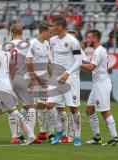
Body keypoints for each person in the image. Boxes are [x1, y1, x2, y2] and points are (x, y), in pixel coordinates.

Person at [81, 29, 118, 146]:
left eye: (88, 37)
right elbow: (88, 65)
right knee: (89, 110)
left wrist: (77, 64)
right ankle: (97, 137)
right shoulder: (98, 51)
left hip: (102, 84)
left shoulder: (99, 51)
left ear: (95, 38)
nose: (87, 39)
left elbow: (91, 67)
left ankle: (115, 138)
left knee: (105, 111)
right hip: (97, 84)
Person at [48, 16, 82, 146]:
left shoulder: (73, 41)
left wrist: (67, 73)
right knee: (51, 104)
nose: (51, 28)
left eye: (53, 26)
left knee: (73, 108)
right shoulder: (52, 40)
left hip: (70, 78)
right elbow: (51, 56)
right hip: (56, 77)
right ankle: (60, 130)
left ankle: (77, 136)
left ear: (60, 26)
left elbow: (78, 61)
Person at [7, 24, 41, 144]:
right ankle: (31, 135)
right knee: (31, 106)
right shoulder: (27, 45)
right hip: (23, 77)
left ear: (11, 32)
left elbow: (7, 64)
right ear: (22, 32)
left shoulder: (6, 45)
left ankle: (16, 135)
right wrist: (33, 80)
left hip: (10, 79)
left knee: (13, 108)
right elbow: (30, 62)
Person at [26, 23, 53, 141]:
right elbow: (28, 62)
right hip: (34, 79)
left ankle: (43, 132)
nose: (51, 35)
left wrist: (52, 77)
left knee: (43, 105)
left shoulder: (47, 44)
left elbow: (48, 62)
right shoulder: (32, 43)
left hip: (45, 79)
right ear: (43, 31)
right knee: (29, 105)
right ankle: (26, 133)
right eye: (50, 32)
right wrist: (36, 78)